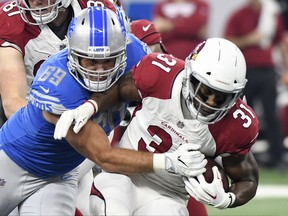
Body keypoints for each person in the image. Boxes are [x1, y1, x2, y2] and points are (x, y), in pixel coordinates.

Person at [0, 6, 208, 216]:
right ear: (72, 54)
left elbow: (180, 81)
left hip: (60, 174)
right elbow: (104, 156)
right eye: (91, 61)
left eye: (108, 60)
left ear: (122, 52)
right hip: (14, 161)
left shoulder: (134, 52)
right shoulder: (59, 85)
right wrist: (169, 162)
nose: (100, 71)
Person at [56, 38, 260, 215]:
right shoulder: (160, 73)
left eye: (222, 97)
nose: (211, 103)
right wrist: (91, 106)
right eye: (205, 91)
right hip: (122, 174)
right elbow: (118, 89)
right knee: (113, 208)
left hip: (168, 195)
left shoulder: (238, 124)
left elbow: (248, 180)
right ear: (190, 75)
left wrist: (228, 199)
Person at [130, 18, 208, 216]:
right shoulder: (113, 81)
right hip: (121, 169)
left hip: (168, 177)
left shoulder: (178, 80)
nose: (153, 58)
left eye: (154, 50)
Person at [224, 0, 287, 169]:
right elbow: (228, 42)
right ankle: (239, 157)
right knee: (241, 114)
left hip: (267, 70)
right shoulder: (239, 15)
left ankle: (277, 157)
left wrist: (286, 68)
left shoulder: (271, 14)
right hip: (246, 71)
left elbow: (281, 42)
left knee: (272, 115)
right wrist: (250, 39)